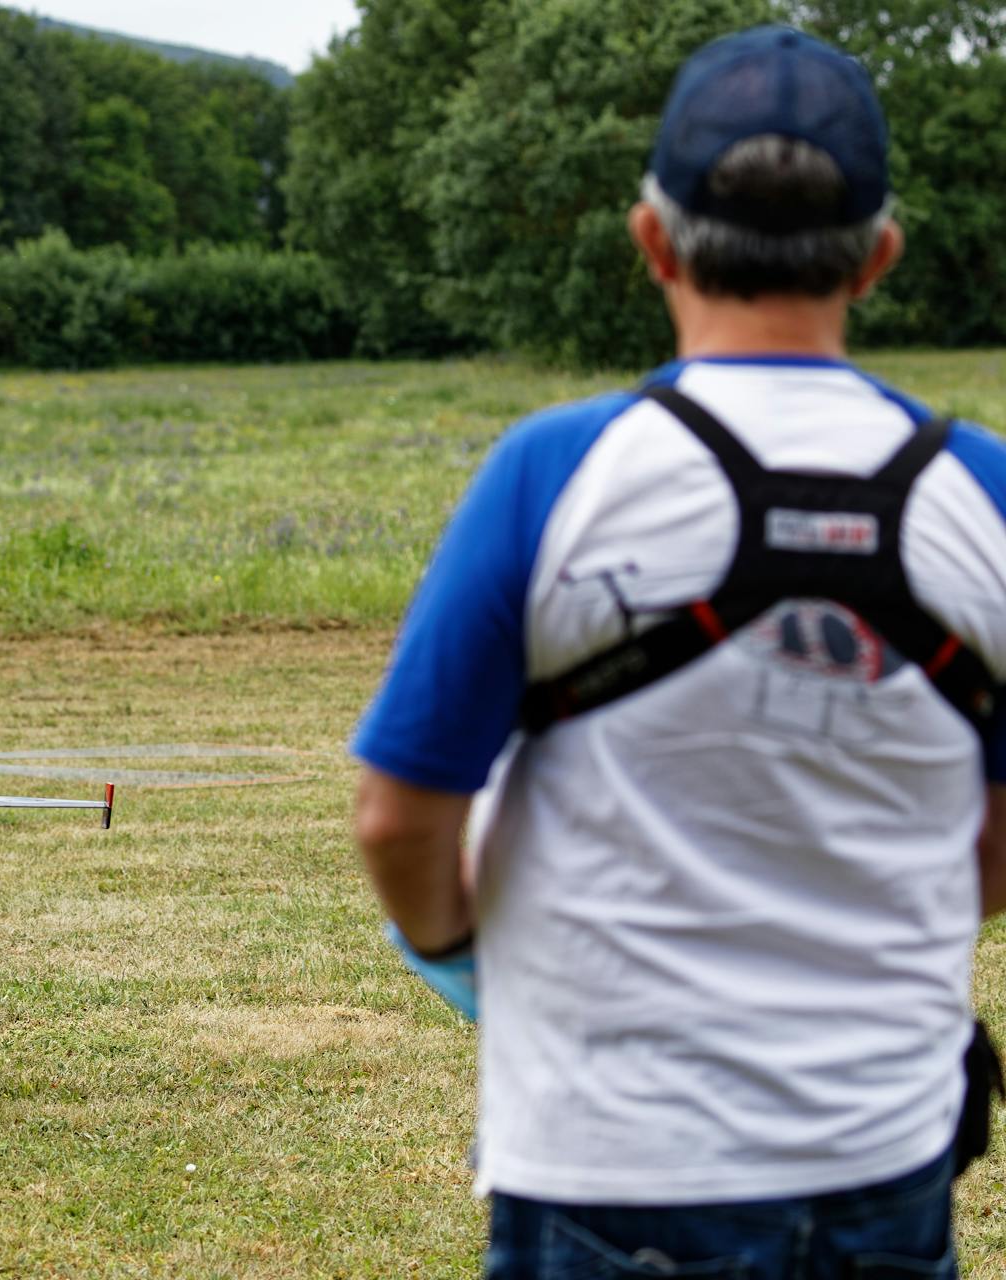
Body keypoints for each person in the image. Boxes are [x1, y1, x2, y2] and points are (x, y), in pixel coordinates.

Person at [350, 25, 1006, 1278]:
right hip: (886, 1158)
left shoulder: (551, 471)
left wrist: (453, 947)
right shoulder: (987, 492)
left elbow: (398, 821)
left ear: (652, 241)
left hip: (608, 1166)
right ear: (879, 257)